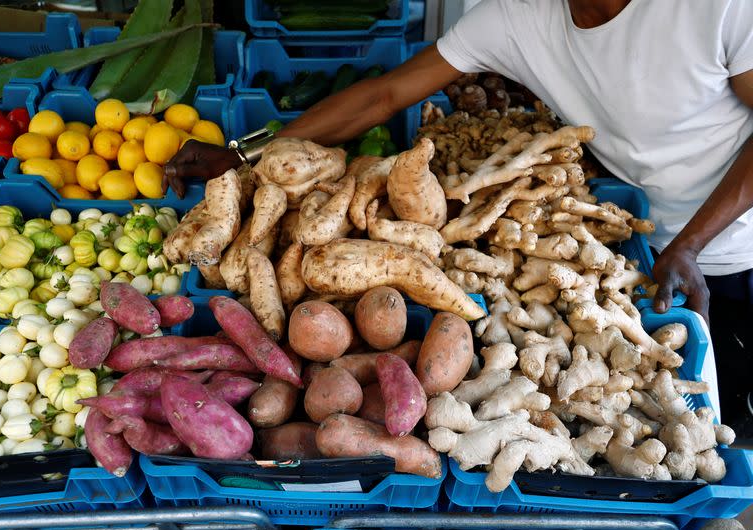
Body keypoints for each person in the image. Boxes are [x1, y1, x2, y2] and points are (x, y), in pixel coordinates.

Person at [165, 0, 753, 437]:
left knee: (727, 403)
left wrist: (694, 245)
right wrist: (244, 154)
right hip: (619, 236)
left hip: (732, 243)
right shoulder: (515, 18)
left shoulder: (717, 8)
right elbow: (382, 97)